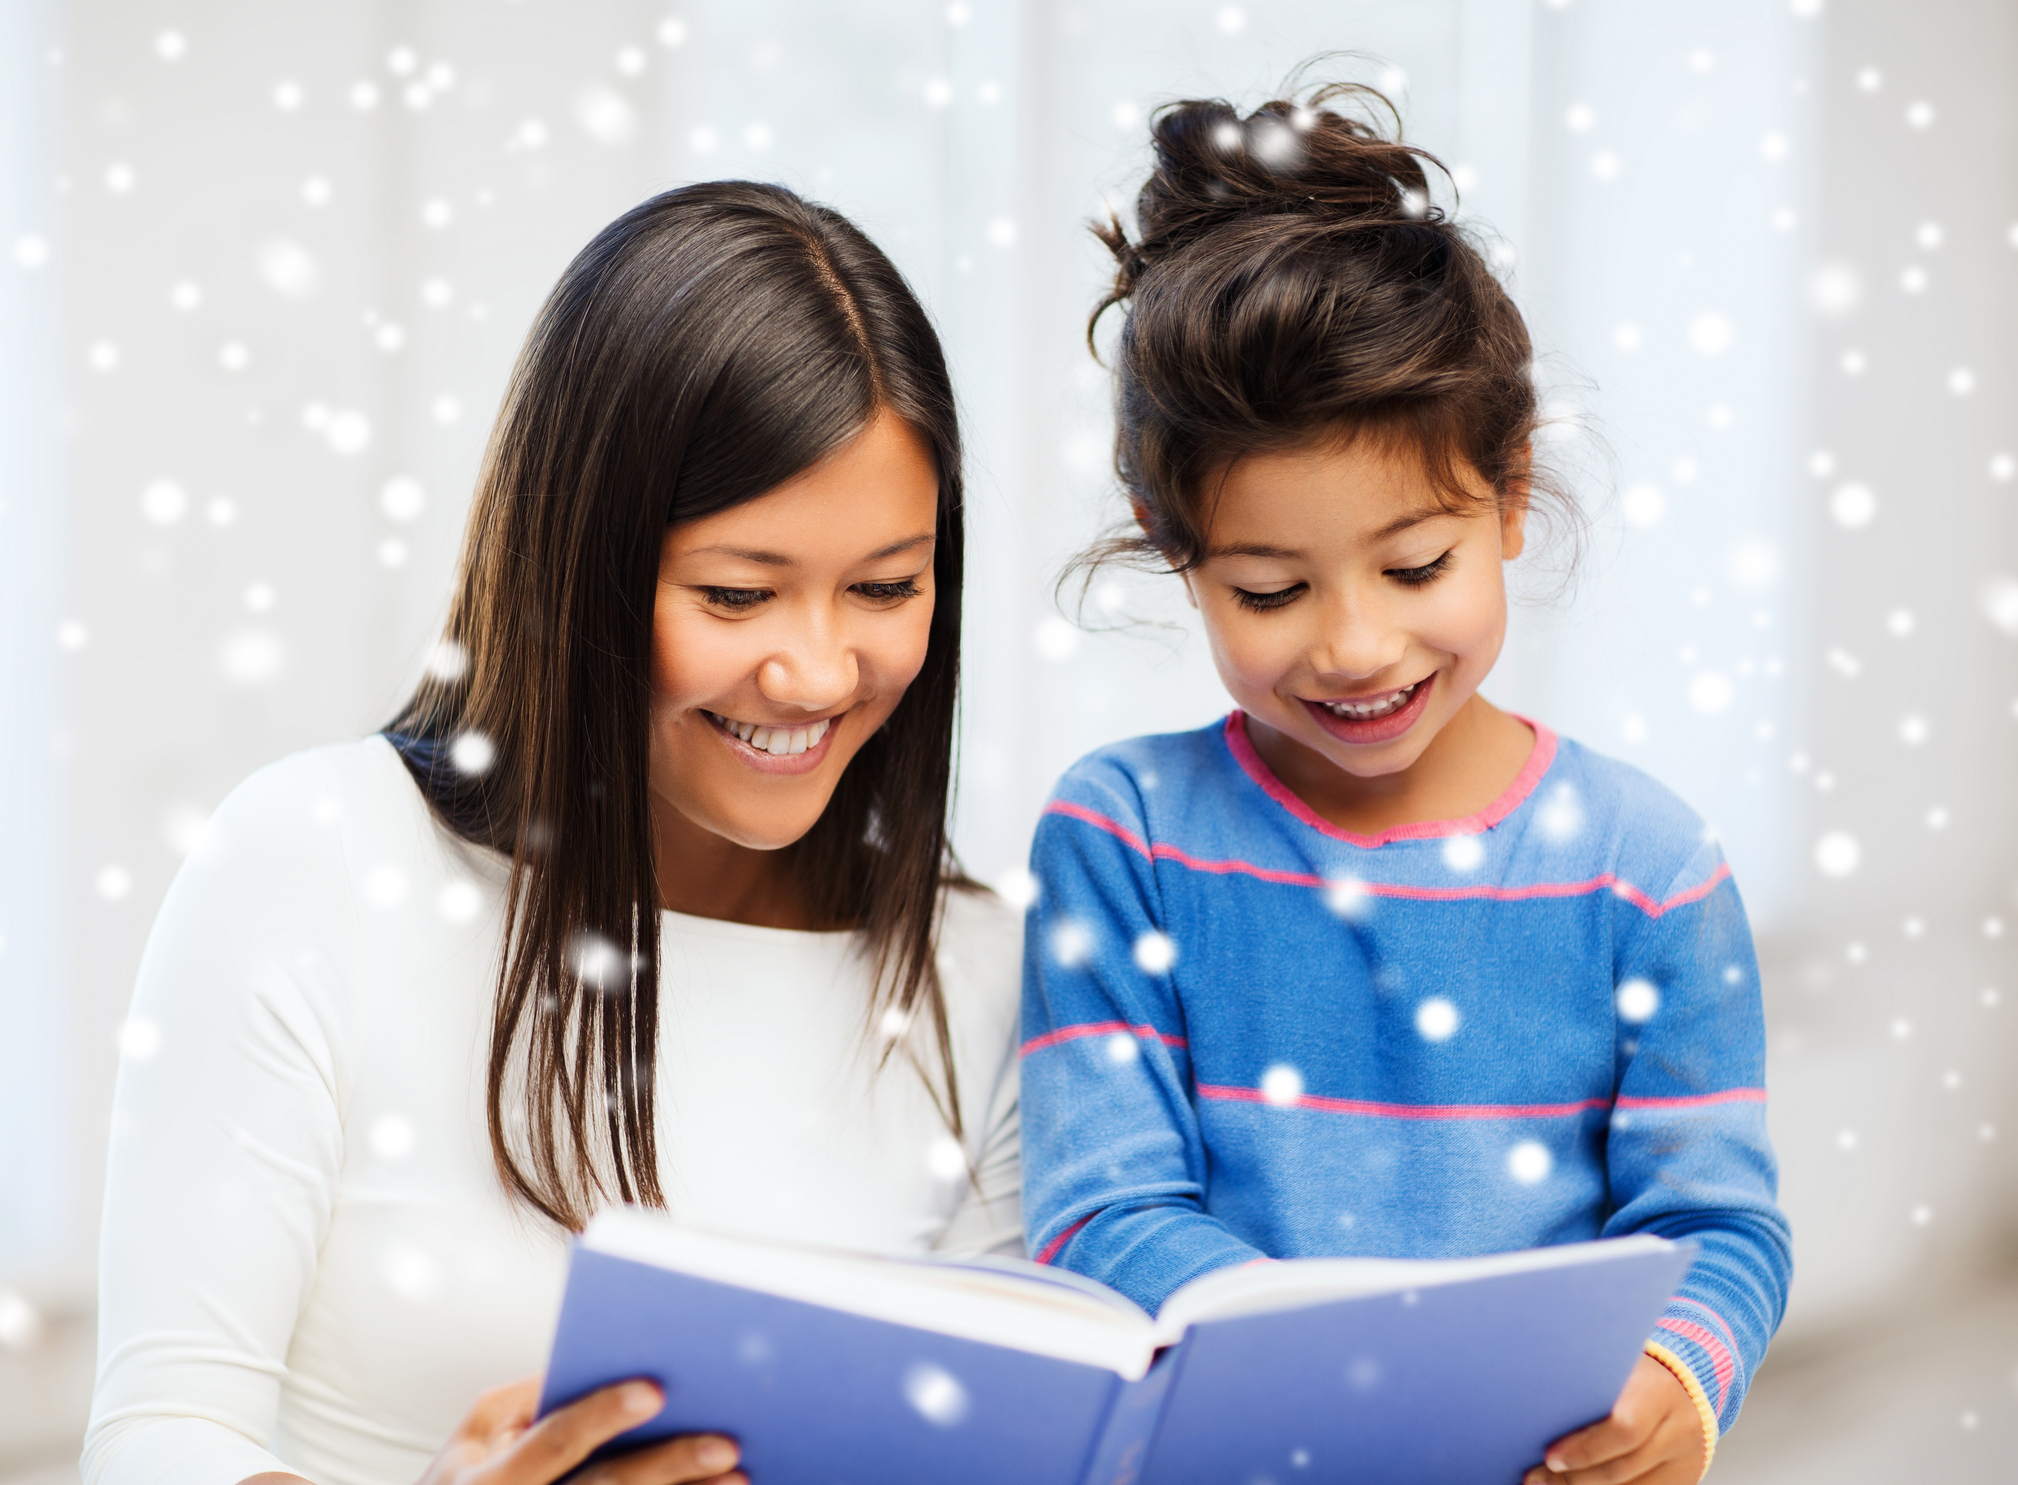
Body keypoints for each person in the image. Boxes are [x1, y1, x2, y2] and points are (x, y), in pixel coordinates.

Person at [84, 182, 1023, 1485]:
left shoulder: (978, 963)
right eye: (737, 592)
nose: (814, 672)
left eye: (884, 587)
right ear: (574, 559)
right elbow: (157, 1440)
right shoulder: (316, 860)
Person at [1018, 84, 1791, 1485]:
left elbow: (1716, 1230)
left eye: (1414, 565)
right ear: (1168, 543)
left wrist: (1674, 1380)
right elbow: (1100, 1212)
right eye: (1268, 587)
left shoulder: (1648, 866)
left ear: (1506, 495)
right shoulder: (1121, 833)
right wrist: (1361, 1382)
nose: (1353, 644)